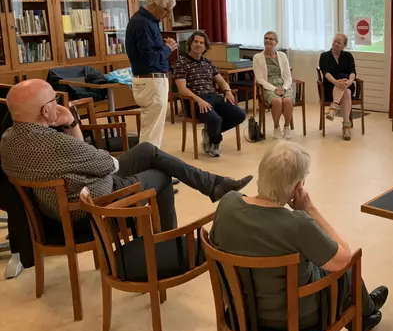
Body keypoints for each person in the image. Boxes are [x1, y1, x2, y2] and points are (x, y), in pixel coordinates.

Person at [0, 80, 253, 232]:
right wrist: (78, 136)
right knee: (161, 175)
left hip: (66, 200)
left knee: (147, 150)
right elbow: (107, 163)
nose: (58, 105)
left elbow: (86, 157)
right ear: (45, 111)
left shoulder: (8, 140)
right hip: (94, 203)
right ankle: (169, 238)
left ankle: (213, 184)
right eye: (54, 101)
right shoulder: (54, 144)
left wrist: (70, 123)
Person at [210, 142, 388, 331]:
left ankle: (366, 313)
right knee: (348, 270)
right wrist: (310, 209)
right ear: (297, 187)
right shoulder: (297, 224)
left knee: (319, 260)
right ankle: (366, 313)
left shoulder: (227, 203)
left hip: (241, 314)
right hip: (296, 320)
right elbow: (345, 259)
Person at [173, 31, 246, 157]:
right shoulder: (181, 62)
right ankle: (216, 141)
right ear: (190, 44)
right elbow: (182, 89)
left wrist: (228, 91)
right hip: (195, 101)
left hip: (214, 97)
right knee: (215, 120)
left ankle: (210, 133)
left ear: (205, 47)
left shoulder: (208, 63)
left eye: (202, 43)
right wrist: (198, 100)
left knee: (239, 114)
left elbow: (221, 81)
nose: (198, 45)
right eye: (196, 41)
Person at [125, 0, 177, 148]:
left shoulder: (146, 21)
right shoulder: (143, 23)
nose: (167, 15)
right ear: (155, 5)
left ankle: (149, 163)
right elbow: (149, 59)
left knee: (152, 131)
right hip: (151, 81)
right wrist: (168, 48)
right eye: (166, 10)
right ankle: (147, 166)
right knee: (151, 134)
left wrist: (163, 46)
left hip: (150, 81)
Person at [253, 31, 295, 140]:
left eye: (271, 39)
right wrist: (274, 89)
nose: (268, 40)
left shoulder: (282, 56)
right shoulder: (257, 57)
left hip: (283, 85)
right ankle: (276, 127)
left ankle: (286, 127)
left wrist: (284, 88)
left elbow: (288, 76)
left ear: (276, 42)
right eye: (266, 38)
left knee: (287, 101)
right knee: (277, 101)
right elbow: (260, 79)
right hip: (268, 87)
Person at [319, 33, 357, 140]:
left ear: (344, 46)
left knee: (346, 90)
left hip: (347, 84)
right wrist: (335, 82)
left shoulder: (348, 56)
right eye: (334, 41)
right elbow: (325, 72)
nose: (335, 44)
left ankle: (333, 108)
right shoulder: (324, 56)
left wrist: (349, 81)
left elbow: (353, 72)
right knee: (346, 92)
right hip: (329, 87)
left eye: (339, 42)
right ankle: (346, 126)